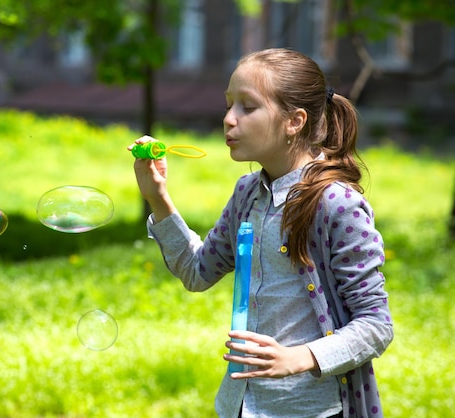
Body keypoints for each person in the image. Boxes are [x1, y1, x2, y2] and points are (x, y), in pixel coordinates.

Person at [129, 48, 393, 418]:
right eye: (228, 105)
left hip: (312, 409)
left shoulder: (336, 204)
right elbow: (196, 271)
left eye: (247, 108)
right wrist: (157, 197)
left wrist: (300, 357)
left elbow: (375, 324)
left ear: (294, 121)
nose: (228, 120)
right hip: (240, 405)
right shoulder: (247, 193)